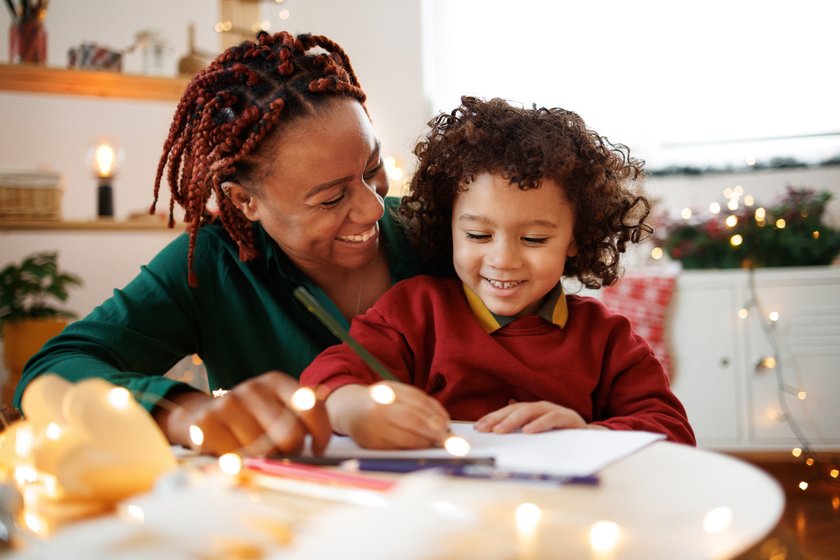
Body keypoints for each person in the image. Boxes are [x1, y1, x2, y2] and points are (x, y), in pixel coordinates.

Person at [12, 31, 453, 456]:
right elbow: (52, 369)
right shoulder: (212, 264)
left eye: (372, 168)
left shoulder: (446, 233)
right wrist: (187, 414)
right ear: (245, 202)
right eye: (331, 198)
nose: (374, 208)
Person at [300, 96, 696, 448]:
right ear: (449, 226)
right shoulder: (414, 312)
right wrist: (354, 409)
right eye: (477, 234)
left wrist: (589, 436)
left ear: (575, 238)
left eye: (535, 239)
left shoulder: (608, 340)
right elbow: (331, 374)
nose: (503, 259)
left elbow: (672, 432)